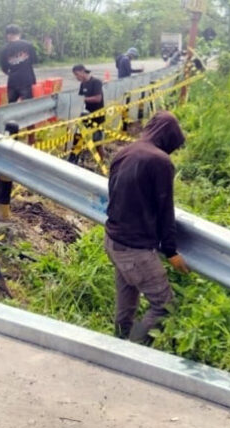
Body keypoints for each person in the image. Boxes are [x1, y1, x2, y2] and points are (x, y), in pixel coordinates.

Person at [104, 111, 190, 344]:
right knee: (165, 306)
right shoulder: (160, 161)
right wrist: (171, 252)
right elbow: (165, 209)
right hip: (135, 248)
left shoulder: (125, 152)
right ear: (168, 138)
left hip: (113, 241)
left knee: (127, 302)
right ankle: (132, 351)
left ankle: (119, 342)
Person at [0, 24, 37, 103]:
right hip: (26, 80)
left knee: (11, 106)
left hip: (13, 81)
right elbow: (34, 60)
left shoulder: (4, 49)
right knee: (27, 105)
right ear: (19, 34)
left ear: (7, 35)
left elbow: (4, 68)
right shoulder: (28, 45)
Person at [72, 63, 105, 147]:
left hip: (97, 116)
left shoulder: (96, 82)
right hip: (86, 115)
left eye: (77, 74)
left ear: (83, 71)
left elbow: (98, 98)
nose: (76, 77)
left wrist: (83, 99)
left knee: (97, 142)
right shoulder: (82, 84)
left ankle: (101, 159)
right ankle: (75, 157)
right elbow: (80, 98)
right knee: (78, 137)